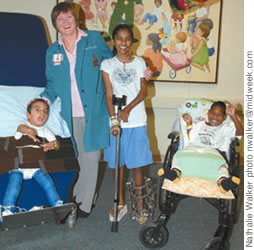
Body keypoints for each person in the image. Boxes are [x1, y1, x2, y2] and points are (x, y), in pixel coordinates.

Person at [40, 2, 113, 218]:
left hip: (93, 110)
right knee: (77, 159)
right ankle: (81, 197)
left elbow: (111, 65)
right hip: (68, 114)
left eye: (68, 17)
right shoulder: (53, 51)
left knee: (90, 158)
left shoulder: (94, 40)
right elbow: (52, 85)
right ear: (55, 23)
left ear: (76, 19)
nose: (65, 22)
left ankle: (82, 205)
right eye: (60, 19)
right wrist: (42, 101)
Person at [101, 24, 153, 224]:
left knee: (138, 166)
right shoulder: (107, 65)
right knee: (117, 165)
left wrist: (128, 109)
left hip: (136, 121)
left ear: (132, 42)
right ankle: (120, 202)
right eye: (119, 38)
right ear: (114, 41)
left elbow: (143, 92)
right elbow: (108, 94)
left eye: (127, 39)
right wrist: (114, 118)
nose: (123, 43)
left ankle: (140, 204)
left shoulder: (140, 62)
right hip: (116, 123)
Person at [161, 101, 244, 193]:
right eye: (212, 113)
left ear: (224, 117)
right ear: (208, 113)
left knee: (222, 167)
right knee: (178, 155)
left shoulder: (225, 128)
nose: (215, 117)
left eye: (219, 115)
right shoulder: (199, 125)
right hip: (195, 151)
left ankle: (223, 182)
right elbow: (190, 138)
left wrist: (233, 116)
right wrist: (189, 124)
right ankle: (175, 173)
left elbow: (240, 132)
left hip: (213, 155)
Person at [2, 99, 62, 216]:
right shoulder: (23, 125)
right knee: (14, 186)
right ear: (28, 115)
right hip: (19, 166)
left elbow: (57, 145)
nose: (42, 113)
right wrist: (29, 131)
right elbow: (21, 128)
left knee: (48, 182)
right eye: (37, 110)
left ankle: (57, 204)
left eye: (45, 111)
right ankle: (7, 210)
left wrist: (53, 144)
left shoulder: (46, 131)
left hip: (35, 167)